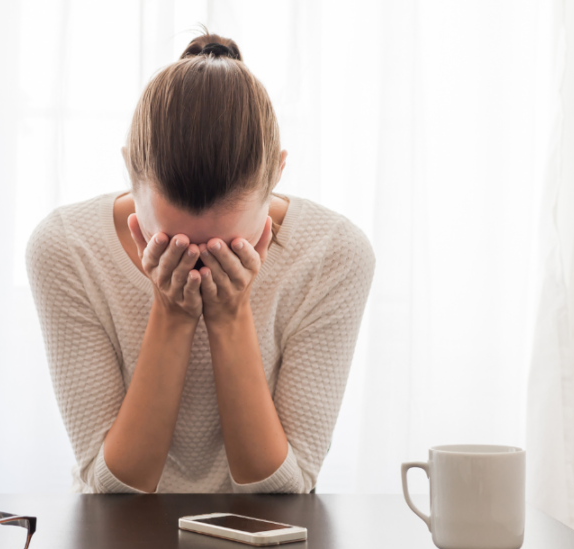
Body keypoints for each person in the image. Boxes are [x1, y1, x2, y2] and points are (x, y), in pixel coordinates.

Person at [26, 29, 375, 494]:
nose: (196, 262)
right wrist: (171, 314)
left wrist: (231, 316)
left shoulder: (334, 254)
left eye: (223, 247)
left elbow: (284, 490)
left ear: (276, 175)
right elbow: (113, 488)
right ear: (131, 170)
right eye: (172, 239)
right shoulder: (66, 248)